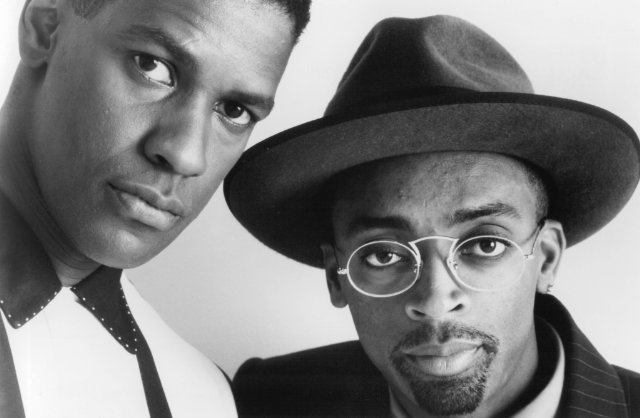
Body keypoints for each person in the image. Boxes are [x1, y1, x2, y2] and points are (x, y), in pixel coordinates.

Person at [226, 15, 640, 417]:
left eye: (485, 245)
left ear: (547, 258)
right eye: (384, 255)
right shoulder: (260, 405)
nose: (436, 302)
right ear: (336, 277)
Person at [0, 0, 311, 416]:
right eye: (153, 67)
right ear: (44, 27)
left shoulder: (202, 398)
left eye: (234, 111)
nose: (186, 155)